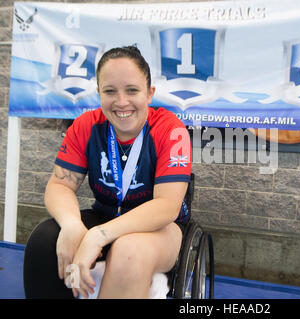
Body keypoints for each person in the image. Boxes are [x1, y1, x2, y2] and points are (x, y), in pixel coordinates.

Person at [23, 46, 192, 298]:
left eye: (132, 90)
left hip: (159, 229)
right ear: (98, 93)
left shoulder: (171, 130)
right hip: (105, 215)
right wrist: (71, 225)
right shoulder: (85, 125)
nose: (121, 101)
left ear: (149, 93)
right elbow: (60, 185)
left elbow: (166, 206)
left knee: (128, 250)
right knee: (43, 241)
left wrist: (98, 236)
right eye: (110, 91)